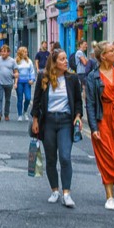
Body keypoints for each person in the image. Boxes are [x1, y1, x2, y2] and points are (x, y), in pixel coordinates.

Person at [29, 48, 83, 208]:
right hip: (49, 122)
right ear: (54, 62)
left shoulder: (72, 79)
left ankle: (67, 193)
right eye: (62, 59)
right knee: (51, 158)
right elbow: (37, 100)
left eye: (66, 58)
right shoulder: (43, 77)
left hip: (66, 122)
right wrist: (35, 120)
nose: (66, 61)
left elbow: (78, 102)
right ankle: (55, 190)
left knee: (65, 157)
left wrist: (78, 116)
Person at [85, 41, 114, 210]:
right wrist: (93, 128)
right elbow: (90, 103)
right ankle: (109, 196)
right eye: (112, 51)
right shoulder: (92, 77)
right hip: (102, 119)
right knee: (107, 157)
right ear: (103, 56)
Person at [0, 44, 17, 121]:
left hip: (9, 84)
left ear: (9, 52)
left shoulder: (12, 61)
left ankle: (6, 114)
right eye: (1, 51)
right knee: (0, 99)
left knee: (8, 100)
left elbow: (16, 72)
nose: (3, 53)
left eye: (4, 52)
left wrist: (15, 82)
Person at [14, 46, 36, 122]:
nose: (26, 53)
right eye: (25, 52)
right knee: (19, 98)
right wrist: (15, 81)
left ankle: (25, 111)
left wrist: (32, 79)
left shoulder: (29, 61)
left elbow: (32, 71)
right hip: (19, 82)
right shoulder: (16, 61)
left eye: (27, 52)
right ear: (20, 53)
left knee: (28, 98)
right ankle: (20, 114)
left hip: (27, 82)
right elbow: (14, 72)